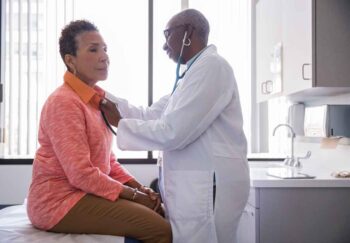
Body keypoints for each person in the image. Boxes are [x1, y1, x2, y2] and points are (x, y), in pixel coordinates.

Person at [100, 9, 250, 243]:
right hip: (194, 186)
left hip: (209, 186)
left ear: (188, 32)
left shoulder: (213, 68)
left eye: (167, 34)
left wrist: (120, 123)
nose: (163, 45)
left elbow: (174, 131)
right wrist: (100, 95)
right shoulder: (191, 75)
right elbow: (150, 114)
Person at [27, 20, 172, 243]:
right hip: (58, 202)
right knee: (161, 230)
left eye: (105, 49)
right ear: (70, 60)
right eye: (93, 50)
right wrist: (135, 196)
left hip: (83, 193)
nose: (104, 56)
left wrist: (139, 188)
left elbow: (108, 162)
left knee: (159, 211)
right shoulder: (64, 102)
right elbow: (81, 174)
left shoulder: (95, 100)